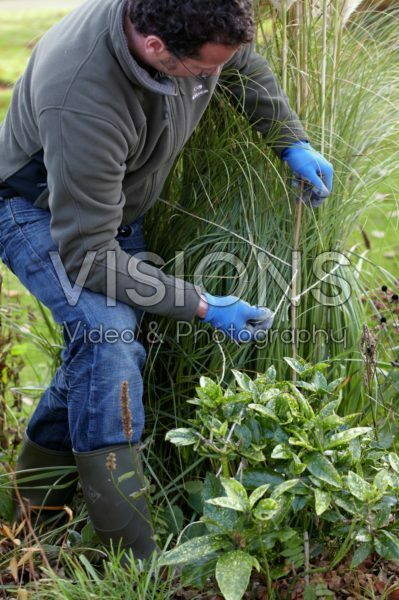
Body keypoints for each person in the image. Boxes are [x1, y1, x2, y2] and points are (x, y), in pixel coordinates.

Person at [0, 0, 333, 563]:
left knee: (97, 351)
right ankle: (131, 557)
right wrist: (203, 305)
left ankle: (34, 507)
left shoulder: (197, 20)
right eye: (204, 71)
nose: (214, 79)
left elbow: (239, 58)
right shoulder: (81, 94)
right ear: (155, 48)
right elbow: (87, 255)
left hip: (111, 208)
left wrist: (288, 138)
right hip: (39, 211)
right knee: (107, 338)